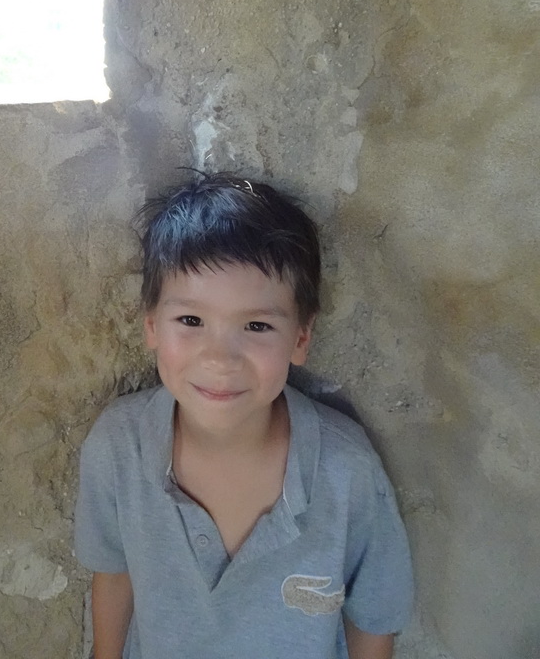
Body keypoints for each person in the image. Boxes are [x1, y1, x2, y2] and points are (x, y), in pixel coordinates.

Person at [75, 172, 413, 659]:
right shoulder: (118, 448)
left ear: (300, 338)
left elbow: (374, 621)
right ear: (151, 324)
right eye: (190, 321)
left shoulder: (347, 474)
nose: (220, 358)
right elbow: (113, 572)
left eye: (256, 325)